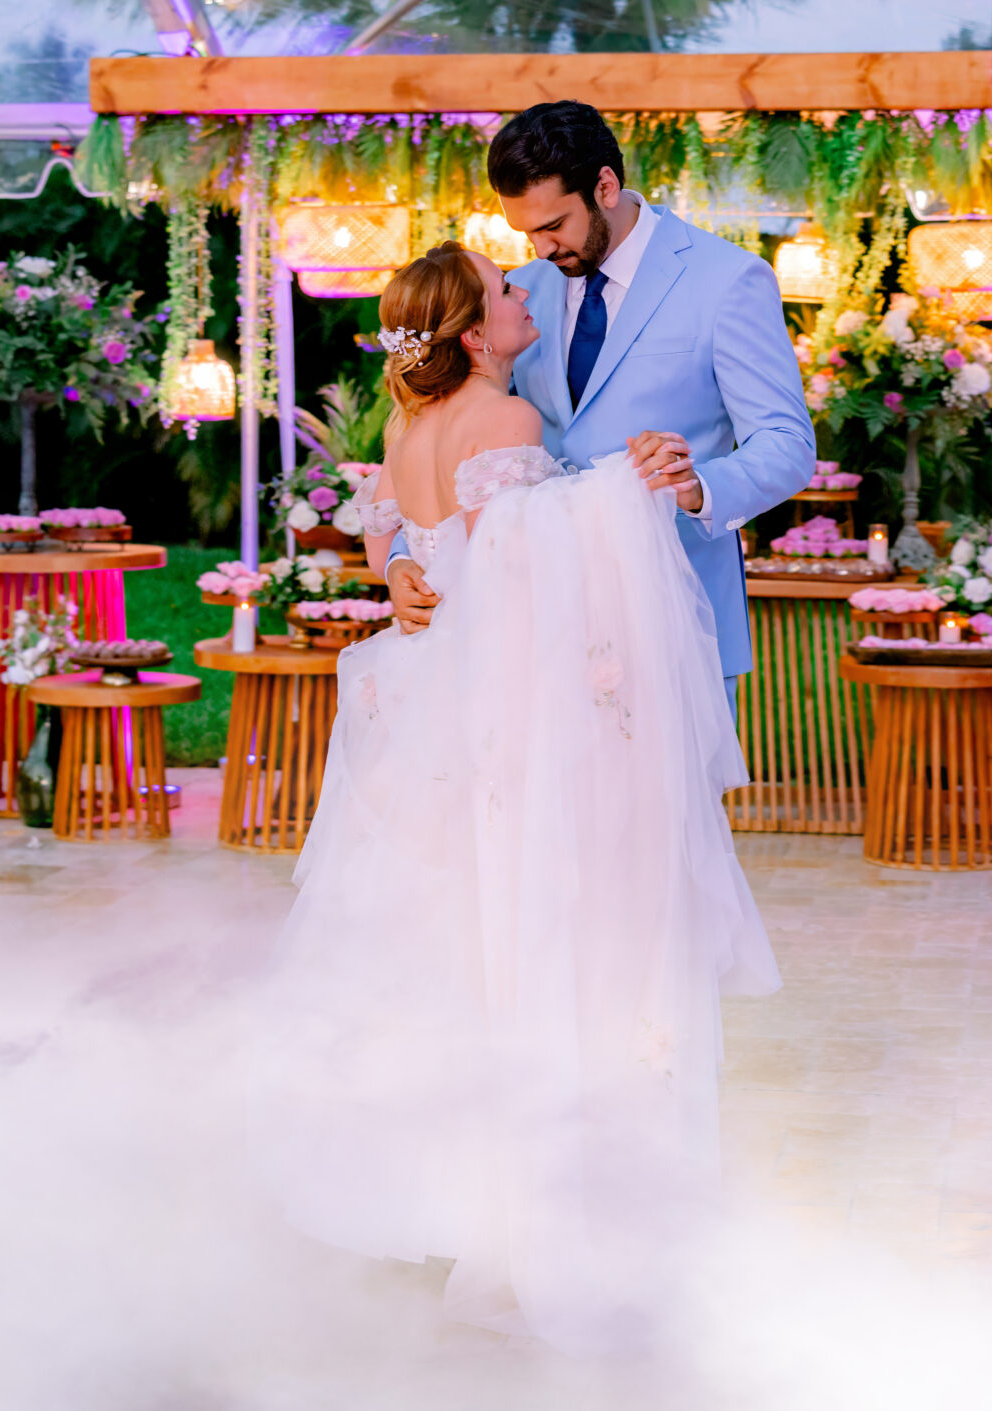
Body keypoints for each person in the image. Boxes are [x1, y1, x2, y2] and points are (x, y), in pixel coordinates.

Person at [247, 242, 780, 1354]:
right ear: (473, 334)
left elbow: (392, 545)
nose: (521, 292)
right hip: (499, 703)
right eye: (501, 290)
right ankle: (535, 1189)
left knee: (443, 934)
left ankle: (449, 1181)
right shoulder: (511, 425)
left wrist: (396, 572)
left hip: (418, 699)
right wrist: (623, 494)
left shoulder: (405, 428)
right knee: (537, 922)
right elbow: (525, 571)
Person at [379, 100, 816, 689]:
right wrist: (407, 555)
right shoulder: (519, 297)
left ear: (605, 186)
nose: (538, 249)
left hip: (673, 622)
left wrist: (697, 490)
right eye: (525, 231)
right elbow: (456, 440)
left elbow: (787, 444)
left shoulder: (727, 280)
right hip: (541, 640)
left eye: (553, 225)